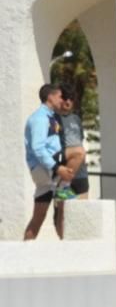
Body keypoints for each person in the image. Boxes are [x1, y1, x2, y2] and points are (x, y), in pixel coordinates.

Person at [23, 83, 74, 240]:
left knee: (38, 218)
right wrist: (58, 168)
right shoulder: (39, 118)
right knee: (78, 152)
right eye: (59, 96)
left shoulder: (50, 117)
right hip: (48, 168)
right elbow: (38, 148)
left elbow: (66, 110)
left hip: (47, 172)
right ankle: (64, 187)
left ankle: (23, 255)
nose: (62, 100)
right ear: (50, 97)